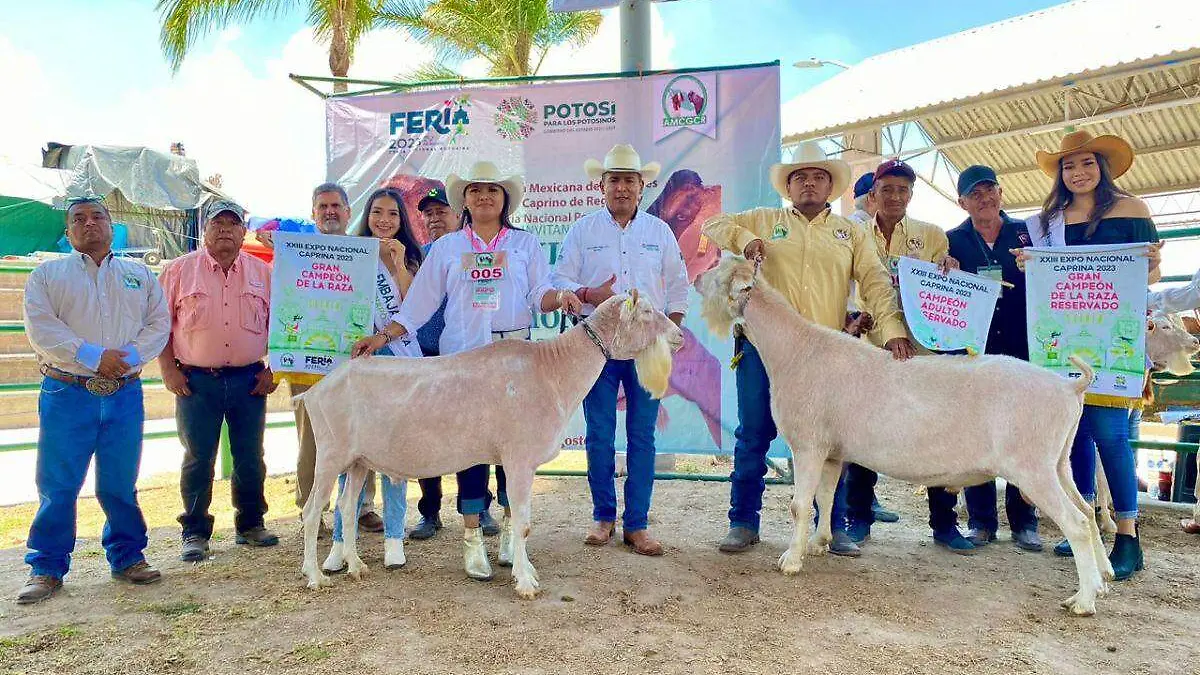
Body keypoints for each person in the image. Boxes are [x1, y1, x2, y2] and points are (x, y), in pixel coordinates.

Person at [351, 160, 581, 581]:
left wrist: (560, 297)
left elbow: (539, 293)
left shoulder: (525, 244)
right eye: (475, 191)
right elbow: (418, 303)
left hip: (515, 363)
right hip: (465, 364)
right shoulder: (448, 248)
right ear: (465, 200)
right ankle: (472, 538)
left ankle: (512, 530)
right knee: (469, 448)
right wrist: (382, 338)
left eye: (492, 190)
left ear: (504, 198)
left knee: (517, 448)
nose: (484, 197)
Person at [701, 142, 915, 554]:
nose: (810, 183)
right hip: (763, 350)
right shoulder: (764, 219)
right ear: (789, 186)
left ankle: (830, 528)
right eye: (800, 177)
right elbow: (713, 224)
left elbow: (874, 281)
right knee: (753, 434)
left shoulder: (850, 232)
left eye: (818, 176)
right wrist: (745, 240)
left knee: (835, 439)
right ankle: (743, 522)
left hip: (827, 356)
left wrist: (891, 331)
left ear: (831, 185)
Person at [1018, 130, 1162, 579]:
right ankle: (1082, 525)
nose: (1078, 173)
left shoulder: (1133, 209)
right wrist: (1030, 264)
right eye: (1068, 166)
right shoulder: (1046, 222)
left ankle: (1127, 536)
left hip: (1111, 342)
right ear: (1060, 174)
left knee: (1111, 435)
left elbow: (1152, 275)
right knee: (1071, 436)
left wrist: (1152, 262)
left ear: (1102, 166)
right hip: (1062, 341)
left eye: (1086, 163)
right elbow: (1043, 282)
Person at [18, 197, 171, 604]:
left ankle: (127, 556)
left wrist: (129, 359)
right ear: (68, 231)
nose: (90, 224)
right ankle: (46, 567)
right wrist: (93, 356)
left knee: (120, 482)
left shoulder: (139, 274)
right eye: (79, 219)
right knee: (58, 484)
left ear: (111, 225)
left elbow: (159, 322)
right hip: (68, 390)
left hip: (124, 392)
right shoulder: (47, 276)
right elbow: (42, 329)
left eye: (98, 216)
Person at [552, 144, 689, 556]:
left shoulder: (659, 232)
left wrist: (671, 330)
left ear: (642, 186)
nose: (622, 187)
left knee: (642, 437)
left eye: (630, 180)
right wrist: (587, 293)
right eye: (615, 180)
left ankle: (638, 525)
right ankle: (603, 517)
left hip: (647, 345)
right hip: (597, 347)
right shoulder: (583, 230)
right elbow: (559, 279)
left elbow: (679, 284)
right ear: (602, 185)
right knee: (598, 435)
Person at [840, 159, 970, 555]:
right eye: (887, 189)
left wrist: (949, 267)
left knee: (934, 430)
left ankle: (944, 525)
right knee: (860, 430)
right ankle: (858, 516)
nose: (894, 196)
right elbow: (844, 282)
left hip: (920, 348)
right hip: (868, 345)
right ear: (872, 194)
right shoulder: (852, 233)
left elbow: (942, 286)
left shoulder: (932, 236)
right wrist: (849, 315)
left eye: (903, 190)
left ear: (911, 195)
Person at [158, 200, 280, 563]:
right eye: (217, 224)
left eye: (232, 224)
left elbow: (283, 325)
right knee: (198, 457)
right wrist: (168, 369)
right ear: (204, 231)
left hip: (249, 380)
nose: (225, 231)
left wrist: (274, 370)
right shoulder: (178, 271)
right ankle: (195, 531)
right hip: (195, 380)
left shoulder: (264, 273)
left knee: (250, 457)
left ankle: (251, 524)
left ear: (244, 232)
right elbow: (160, 325)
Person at [323, 187, 427, 572]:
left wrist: (398, 265)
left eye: (393, 215)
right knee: (349, 452)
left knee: (395, 452)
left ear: (402, 221)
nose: (384, 220)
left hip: (399, 364)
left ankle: (395, 537)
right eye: (378, 212)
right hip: (359, 363)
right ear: (367, 215)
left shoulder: (411, 258)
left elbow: (412, 310)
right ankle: (339, 538)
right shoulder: (351, 253)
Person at [944, 165, 1042, 552]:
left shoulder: (1030, 234)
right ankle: (982, 521)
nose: (984, 199)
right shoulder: (951, 240)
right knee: (976, 432)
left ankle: (1025, 521)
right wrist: (944, 266)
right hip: (975, 350)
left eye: (990, 191)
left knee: (1022, 432)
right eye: (975, 194)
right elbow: (937, 287)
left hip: (1024, 347)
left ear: (1001, 193)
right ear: (962, 201)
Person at [287, 183, 383, 533]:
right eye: (322, 206)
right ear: (313, 213)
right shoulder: (296, 253)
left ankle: (362, 505)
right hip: (308, 361)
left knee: (363, 432)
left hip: (355, 362)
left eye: (336, 206)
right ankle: (310, 507)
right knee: (312, 438)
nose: (330, 212)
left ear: (347, 212)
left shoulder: (364, 253)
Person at [408, 186, 503, 541]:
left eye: (441, 211)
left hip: (468, 357)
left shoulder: (485, 251)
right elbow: (410, 304)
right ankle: (429, 511)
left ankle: (479, 508)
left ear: (458, 212)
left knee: (478, 436)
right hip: (426, 356)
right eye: (428, 213)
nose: (434, 218)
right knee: (428, 436)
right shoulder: (415, 255)